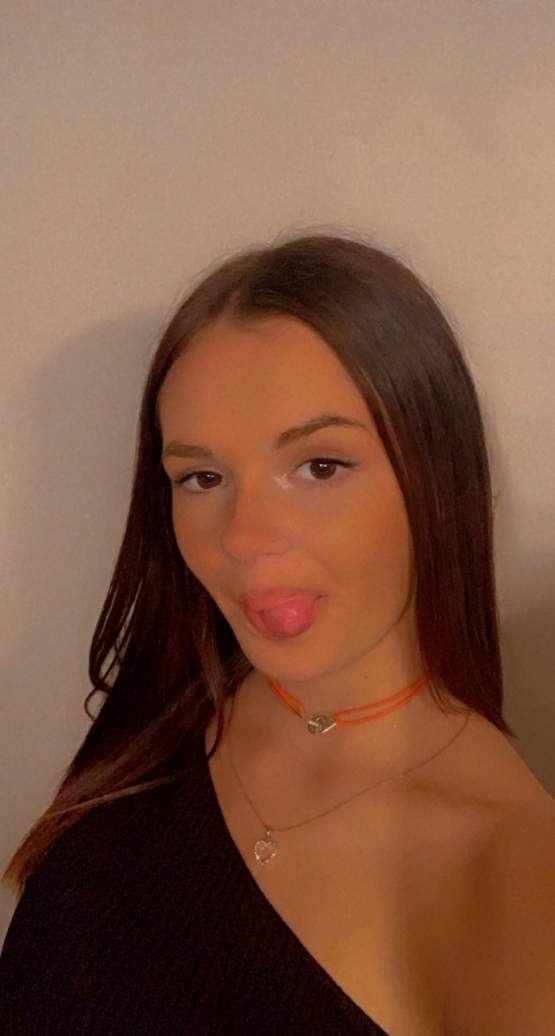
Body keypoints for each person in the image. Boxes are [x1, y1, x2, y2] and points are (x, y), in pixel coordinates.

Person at [1, 232, 554, 1035]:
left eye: (320, 467)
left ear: (436, 478)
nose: (243, 538)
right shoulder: (172, 700)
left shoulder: (513, 874)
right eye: (201, 477)